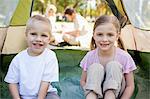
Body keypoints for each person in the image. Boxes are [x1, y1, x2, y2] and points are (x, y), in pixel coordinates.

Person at [80, 15, 137, 99]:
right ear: (94, 35)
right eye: (100, 34)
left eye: (110, 35)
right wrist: (89, 92)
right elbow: (83, 81)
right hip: (94, 93)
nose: (104, 39)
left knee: (113, 66)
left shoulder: (124, 57)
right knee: (96, 67)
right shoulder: (90, 56)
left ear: (117, 36)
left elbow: (130, 86)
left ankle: (109, 96)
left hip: (116, 94)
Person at [4, 15, 60, 99]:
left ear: (49, 39)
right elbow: (12, 82)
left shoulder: (50, 56)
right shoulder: (19, 58)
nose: (38, 39)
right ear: (26, 35)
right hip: (24, 96)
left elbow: (45, 82)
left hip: (46, 94)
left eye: (43, 35)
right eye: (33, 34)